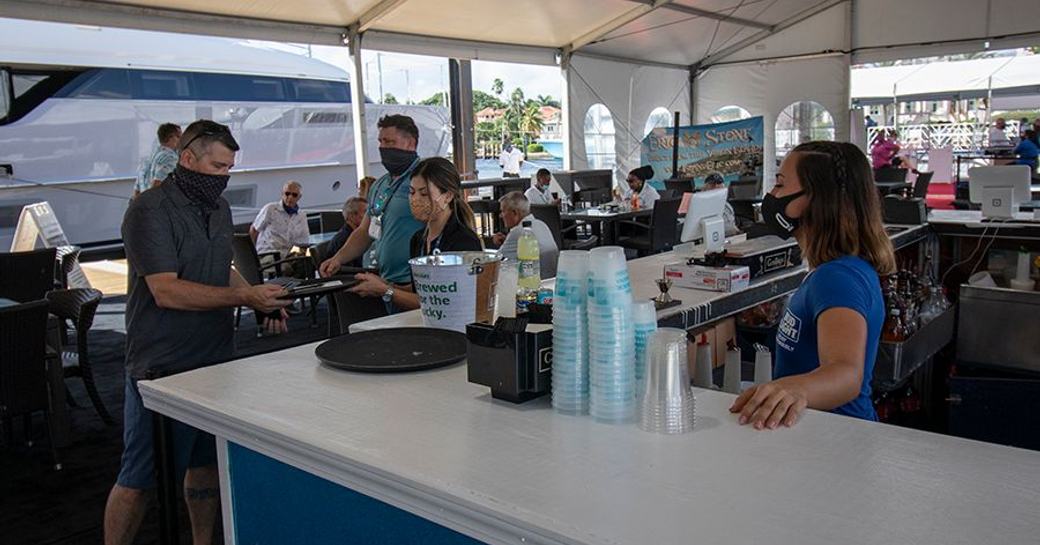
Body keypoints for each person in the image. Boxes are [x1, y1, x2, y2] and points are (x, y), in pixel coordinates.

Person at [105, 120, 289, 545]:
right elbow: (166, 290)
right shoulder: (148, 210)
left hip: (216, 357)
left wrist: (260, 300)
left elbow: (220, 267)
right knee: (139, 476)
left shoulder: (217, 209)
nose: (224, 177)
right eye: (218, 167)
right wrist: (247, 299)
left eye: (229, 169)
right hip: (162, 363)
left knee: (207, 463)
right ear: (187, 159)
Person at [731, 141, 895, 429]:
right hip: (819, 432)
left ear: (818, 198)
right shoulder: (832, 269)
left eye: (780, 185)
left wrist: (796, 389)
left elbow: (846, 372)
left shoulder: (837, 278)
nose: (772, 195)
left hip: (837, 436)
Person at [348, 157, 482, 310]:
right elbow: (420, 290)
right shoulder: (418, 239)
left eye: (424, 194)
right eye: (411, 192)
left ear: (448, 196)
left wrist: (386, 291)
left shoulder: (463, 242)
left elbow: (444, 302)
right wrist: (384, 284)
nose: (415, 200)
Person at [319, 115, 425, 300]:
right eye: (381, 141)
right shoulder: (380, 185)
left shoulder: (425, 179)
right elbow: (365, 231)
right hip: (384, 280)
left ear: (411, 143)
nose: (383, 148)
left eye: (390, 142)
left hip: (417, 281)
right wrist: (338, 258)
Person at [493, 191, 559, 279]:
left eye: (503, 211)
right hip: (551, 279)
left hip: (531, 283)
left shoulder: (517, 232)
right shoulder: (542, 224)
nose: (501, 216)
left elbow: (495, 262)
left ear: (515, 213)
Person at [250, 180, 310, 259]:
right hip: (267, 253)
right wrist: (253, 255)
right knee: (287, 268)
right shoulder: (270, 209)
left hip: (287, 255)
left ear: (299, 197)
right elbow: (254, 230)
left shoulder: (301, 216)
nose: (290, 197)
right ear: (282, 194)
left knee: (310, 262)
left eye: (294, 195)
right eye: (287, 194)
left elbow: (304, 240)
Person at [133, 123, 181, 199]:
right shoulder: (170, 158)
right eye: (178, 136)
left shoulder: (149, 158)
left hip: (143, 205)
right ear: (170, 138)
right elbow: (157, 184)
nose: (181, 140)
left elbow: (136, 190)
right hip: (159, 206)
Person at [327, 196, 367, 265]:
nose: (369, 216)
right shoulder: (344, 240)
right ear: (352, 216)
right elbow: (350, 270)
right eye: (365, 212)